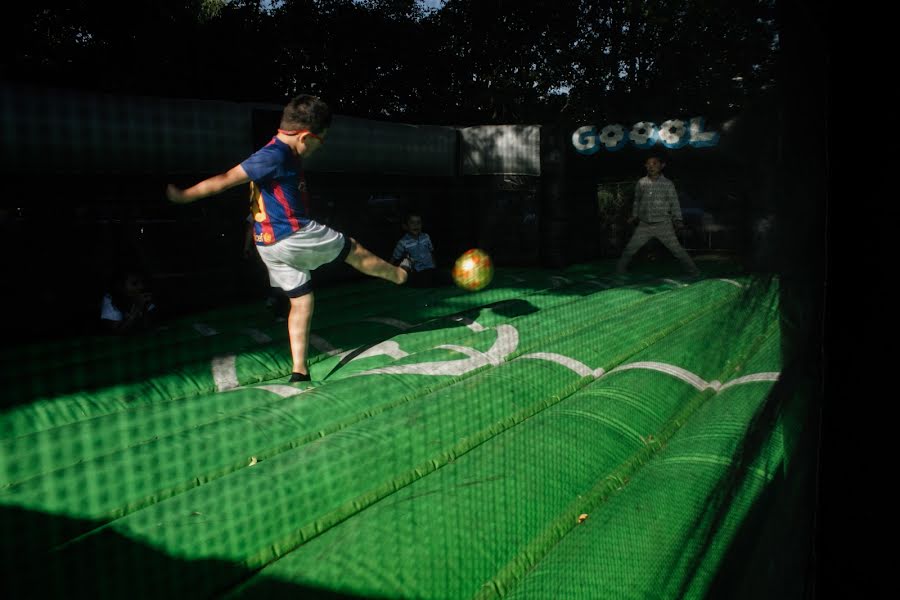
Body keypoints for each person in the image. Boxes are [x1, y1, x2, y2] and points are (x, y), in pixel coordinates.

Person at [167, 94, 407, 382]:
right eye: (322, 140)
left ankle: (299, 370)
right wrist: (184, 196)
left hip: (267, 245)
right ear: (306, 137)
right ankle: (399, 275)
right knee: (353, 250)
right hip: (292, 234)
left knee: (302, 301)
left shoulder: (282, 154)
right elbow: (226, 179)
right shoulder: (276, 154)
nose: (322, 146)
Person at [615, 154, 701, 277]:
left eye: (654, 164)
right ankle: (619, 271)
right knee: (630, 249)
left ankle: (694, 272)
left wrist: (678, 219)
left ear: (662, 166)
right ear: (645, 166)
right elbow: (637, 200)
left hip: (663, 224)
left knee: (677, 251)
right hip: (644, 225)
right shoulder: (641, 182)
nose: (651, 166)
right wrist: (634, 215)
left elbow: (674, 202)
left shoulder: (667, 184)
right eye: (648, 164)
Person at [99, 269, 157, 334]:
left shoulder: (143, 296)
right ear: (121, 286)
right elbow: (117, 332)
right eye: (134, 284)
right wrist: (137, 308)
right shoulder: (109, 298)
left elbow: (148, 327)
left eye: (142, 282)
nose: (141, 286)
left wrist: (144, 308)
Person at [391, 212, 439, 287]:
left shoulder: (426, 237)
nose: (416, 225)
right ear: (405, 226)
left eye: (418, 222)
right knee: (423, 281)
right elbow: (394, 257)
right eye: (412, 223)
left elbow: (431, 252)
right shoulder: (403, 242)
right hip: (417, 271)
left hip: (430, 268)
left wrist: (435, 267)